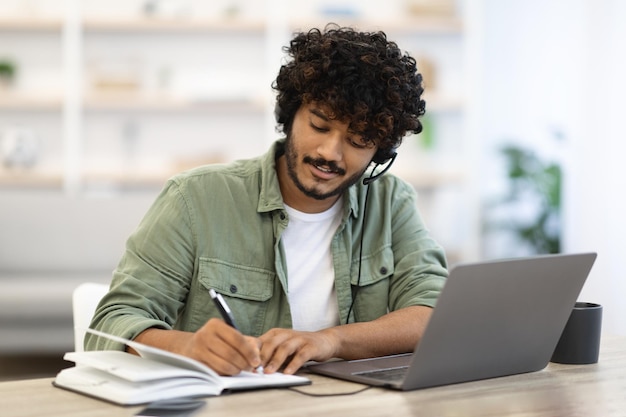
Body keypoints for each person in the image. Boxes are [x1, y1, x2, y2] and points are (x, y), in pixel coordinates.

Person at [86, 24, 448, 376]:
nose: (330, 153)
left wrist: (331, 341)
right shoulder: (195, 198)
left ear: (380, 152)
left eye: (358, 141)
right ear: (291, 116)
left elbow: (433, 312)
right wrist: (187, 347)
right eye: (319, 126)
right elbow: (112, 322)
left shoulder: (391, 203)